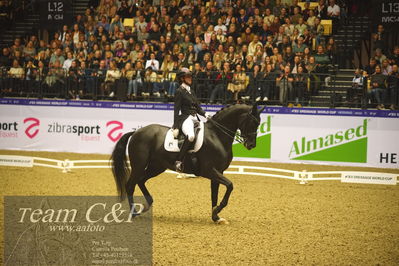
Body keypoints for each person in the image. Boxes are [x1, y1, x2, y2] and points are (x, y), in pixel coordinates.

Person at [173, 68, 210, 172]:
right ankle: (179, 161)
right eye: (188, 77)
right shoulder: (179, 91)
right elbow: (176, 110)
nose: (190, 78)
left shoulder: (191, 91)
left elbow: (198, 108)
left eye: (190, 76)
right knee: (191, 136)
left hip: (195, 118)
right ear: (182, 78)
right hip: (185, 118)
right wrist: (176, 126)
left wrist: (206, 114)